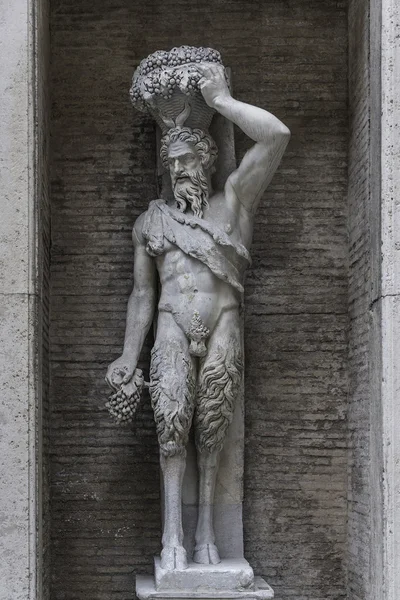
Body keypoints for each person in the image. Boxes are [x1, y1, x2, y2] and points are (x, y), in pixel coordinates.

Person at [106, 64, 290, 571]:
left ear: (208, 161)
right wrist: (127, 353)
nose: (181, 169)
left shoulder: (233, 205)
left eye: (190, 160)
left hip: (224, 323)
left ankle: (208, 534)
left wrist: (223, 101)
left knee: (212, 431)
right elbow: (142, 293)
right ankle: (172, 539)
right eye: (174, 163)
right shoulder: (151, 222)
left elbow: (276, 136)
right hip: (169, 324)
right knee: (171, 426)